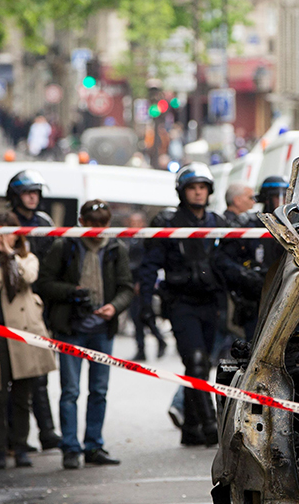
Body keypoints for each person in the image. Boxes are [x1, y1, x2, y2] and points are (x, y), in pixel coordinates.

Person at [36, 199, 133, 469]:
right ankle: (70, 447)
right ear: (81, 222)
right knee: (71, 390)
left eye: (102, 224)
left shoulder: (116, 248)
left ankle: (94, 445)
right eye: (92, 224)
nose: (97, 229)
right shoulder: (65, 246)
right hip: (71, 328)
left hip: (102, 330)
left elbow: (127, 287)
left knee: (99, 391)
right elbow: (43, 283)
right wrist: (71, 293)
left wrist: (114, 307)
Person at [138, 163, 226, 446]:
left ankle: (190, 427)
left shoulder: (217, 223)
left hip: (211, 303)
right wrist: (145, 306)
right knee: (196, 361)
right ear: (182, 192)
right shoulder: (167, 222)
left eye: (202, 188)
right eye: (192, 188)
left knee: (200, 365)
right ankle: (210, 424)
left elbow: (228, 262)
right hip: (181, 303)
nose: (198, 193)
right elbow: (149, 265)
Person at [0, 210, 57, 470]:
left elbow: (27, 277)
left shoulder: (27, 257)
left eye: (9, 231)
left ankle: (21, 447)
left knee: (24, 397)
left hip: (22, 334)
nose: (4, 237)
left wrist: (10, 255)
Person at [6, 170, 62, 451]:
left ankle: (47, 432)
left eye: (36, 192)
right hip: (13, 304)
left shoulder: (43, 223)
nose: (33, 197)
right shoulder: (6, 223)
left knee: (40, 373)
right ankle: (14, 437)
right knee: (14, 377)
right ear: (15, 196)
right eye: (28, 192)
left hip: (40, 304)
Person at [215, 175, 288, 340]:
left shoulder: (295, 225)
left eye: (286, 196)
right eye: (278, 197)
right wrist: (246, 275)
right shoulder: (247, 225)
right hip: (254, 301)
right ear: (267, 199)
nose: (283, 201)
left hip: (285, 300)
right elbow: (223, 259)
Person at [124, 211, 166, 362]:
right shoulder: (128, 239)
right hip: (131, 282)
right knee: (136, 318)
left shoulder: (145, 241)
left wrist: (140, 283)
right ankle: (141, 348)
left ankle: (160, 340)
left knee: (144, 316)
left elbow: (145, 264)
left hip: (141, 283)